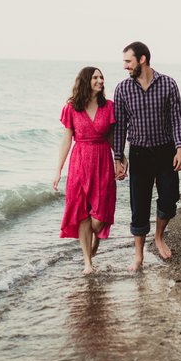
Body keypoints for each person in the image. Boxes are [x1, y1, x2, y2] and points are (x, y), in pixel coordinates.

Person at [113, 42, 181, 271]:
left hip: (165, 151)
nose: (125, 66)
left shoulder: (168, 84)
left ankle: (159, 236)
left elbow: (177, 119)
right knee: (139, 207)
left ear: (142, 59)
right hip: (139, 154)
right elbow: (120, 127)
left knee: (169, 199)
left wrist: (180, 148)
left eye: (128, 61)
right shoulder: (122, 89)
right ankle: (138, 256)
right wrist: (118, 157)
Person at [53, 67, 120, 274]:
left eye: (101, 77)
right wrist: (58, 170)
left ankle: (96, 240)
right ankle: (87, 262)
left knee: (99, 220)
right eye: (95, 77)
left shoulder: (109, 106)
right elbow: (66, 140)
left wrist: (121, 158)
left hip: (102, 161)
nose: (100, 81)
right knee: (82, 212)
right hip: (79, 162)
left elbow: (111, 138)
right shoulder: (72, 107)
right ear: (85, 81)